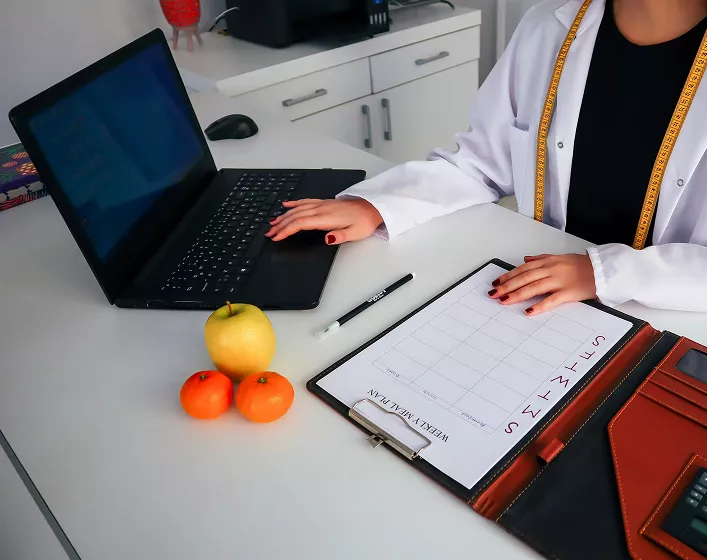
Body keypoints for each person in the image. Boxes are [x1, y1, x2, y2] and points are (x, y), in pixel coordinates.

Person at [266, 0, 707, 314]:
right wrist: (377, 205)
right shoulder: (547, 28)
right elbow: (480, 164)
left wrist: (602, 274)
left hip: (669, 313)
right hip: (540, 289)